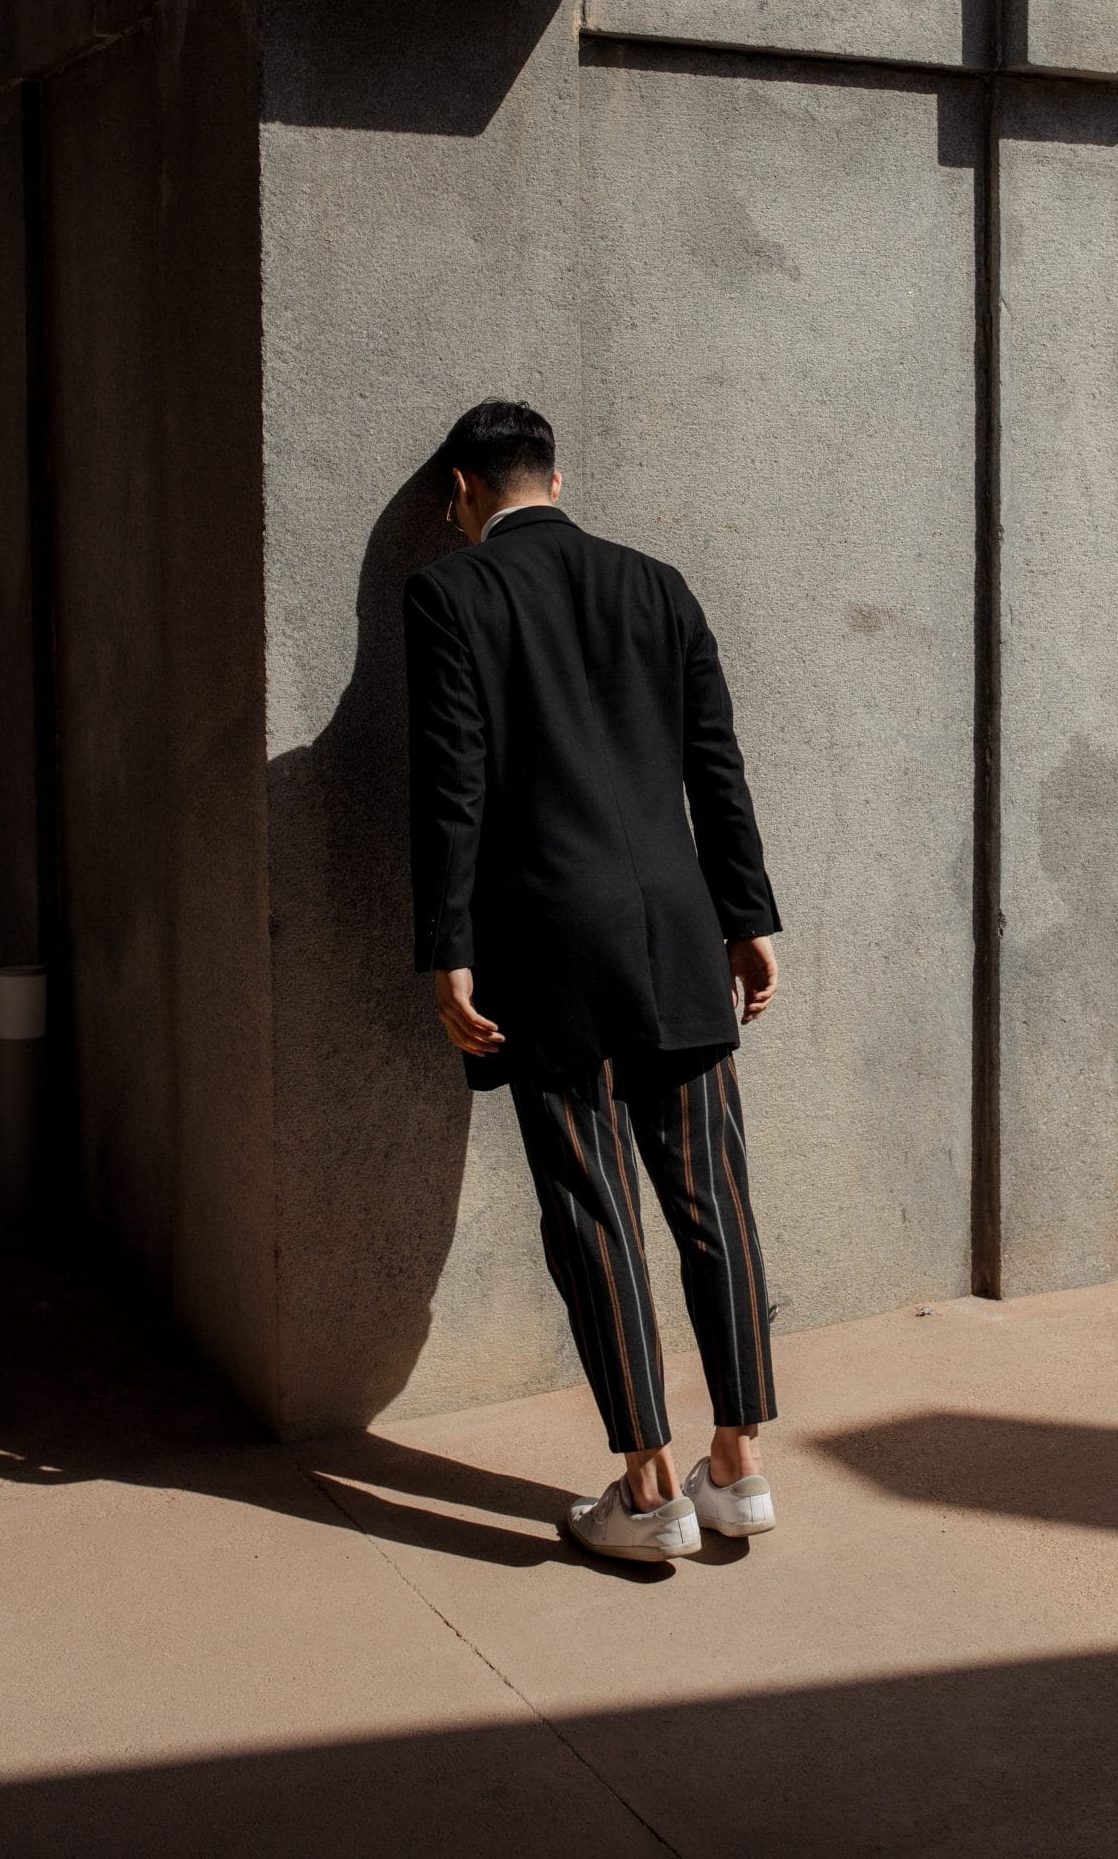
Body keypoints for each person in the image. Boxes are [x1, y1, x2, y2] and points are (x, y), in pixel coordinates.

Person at [402, 397, 783, 1563]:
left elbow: (450, 783)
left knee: (591, 1204)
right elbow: (712, 761)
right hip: (675, 928)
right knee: (711, 1197)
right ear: (554, 482)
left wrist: (446, 944)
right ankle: (739, 1468)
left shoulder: (449, 593)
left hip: (545, 940)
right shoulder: (655, 584)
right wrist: (749, 914)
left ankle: (648, 1486)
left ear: (462, 490)